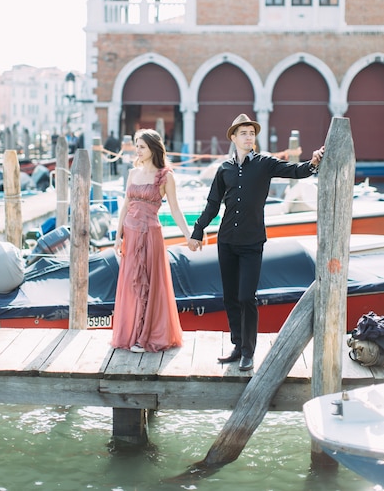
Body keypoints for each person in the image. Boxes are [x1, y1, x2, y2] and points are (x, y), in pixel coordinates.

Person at [190, 114, 324, 371]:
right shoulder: (224, 169)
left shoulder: (264, 164)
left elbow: (295, 170)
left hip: (252, 243)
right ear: (233, 137)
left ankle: (249, 352)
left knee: (246, 297)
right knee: (229, 297)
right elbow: (212, 205)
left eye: (251, 133)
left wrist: (313, 162)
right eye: (243, 133)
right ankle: (238, 347)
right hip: (226, 240)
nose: (248, 137)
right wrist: (198, 231)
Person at [112, 128, 197, 353]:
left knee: (150, 284)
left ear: (152, 149)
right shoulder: (132, 173)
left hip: (150, 235)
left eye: (141, 146)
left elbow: (176, 210)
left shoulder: (165, 176)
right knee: (132, 285)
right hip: (130, 235)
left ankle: (145, 337)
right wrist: (117, 236)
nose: (137, 150)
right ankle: (131, 334)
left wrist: (189, 235)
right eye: (136, 146)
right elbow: (125, 206)